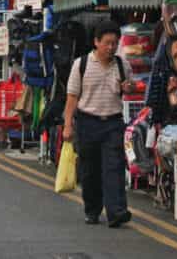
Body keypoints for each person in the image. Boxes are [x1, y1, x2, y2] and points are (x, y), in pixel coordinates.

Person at [62, 20, 136, 228]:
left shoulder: (123, 65)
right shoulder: (81, 64)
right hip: (87, 123)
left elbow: (128, 90)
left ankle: (116, 212)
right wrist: (68, 125)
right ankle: (92, 209)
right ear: (96, 42)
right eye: (107, 43)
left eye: (115, 43)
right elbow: (72, 97)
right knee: (90, 171)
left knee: (114, 168)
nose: (111, 47)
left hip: (113, 123)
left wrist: (128, 88)